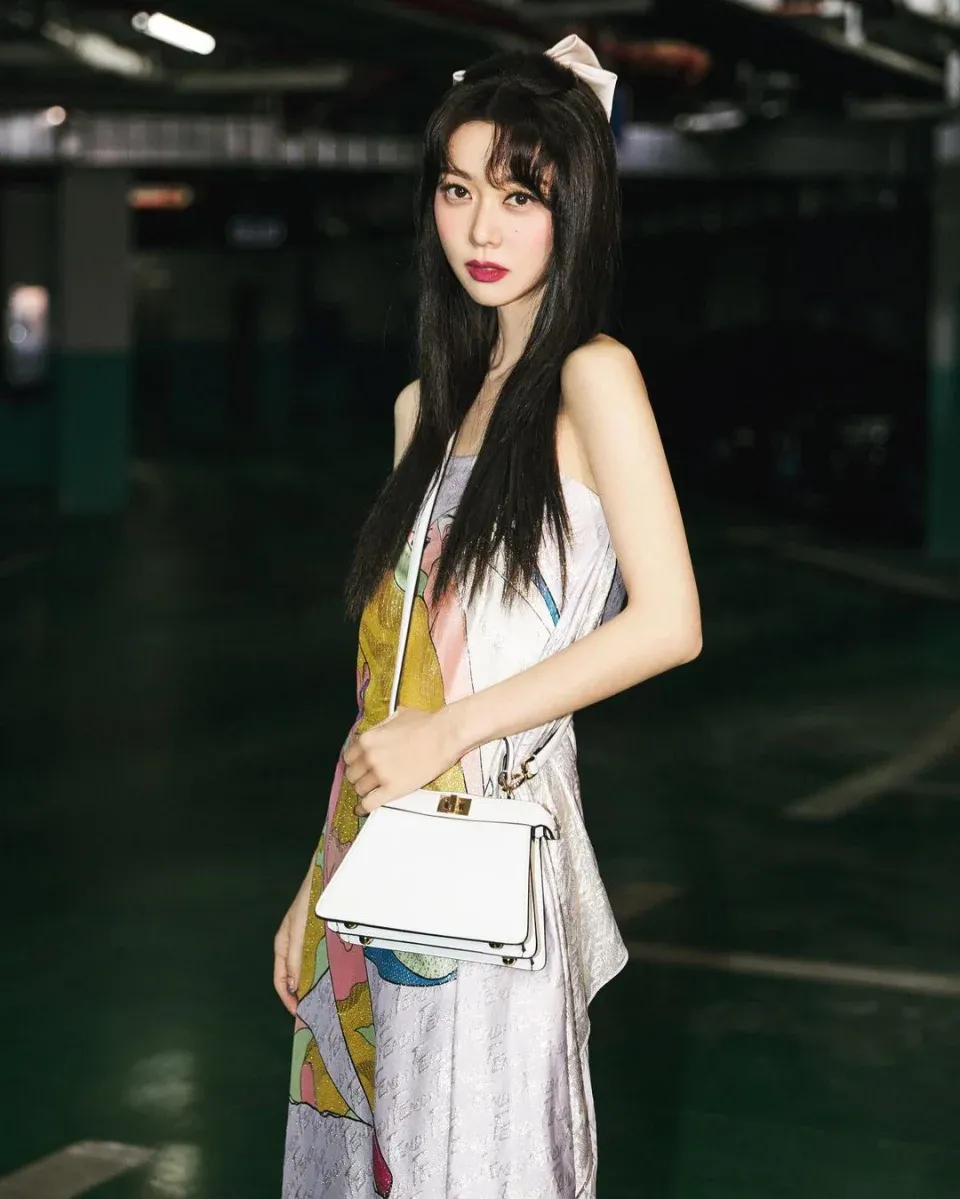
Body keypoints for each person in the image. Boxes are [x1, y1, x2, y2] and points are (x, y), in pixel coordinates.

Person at [275, 35, 702, 1199]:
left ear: (575, 212)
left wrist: (454, 731)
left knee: (478, 1162)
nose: (481, 226)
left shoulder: (593, 377)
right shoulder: (425, 407)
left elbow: (669, 621)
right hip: (375, 866)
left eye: (520, 196)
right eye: (458, 190)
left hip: (488, 871)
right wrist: (316, 882)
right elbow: (391, 682)